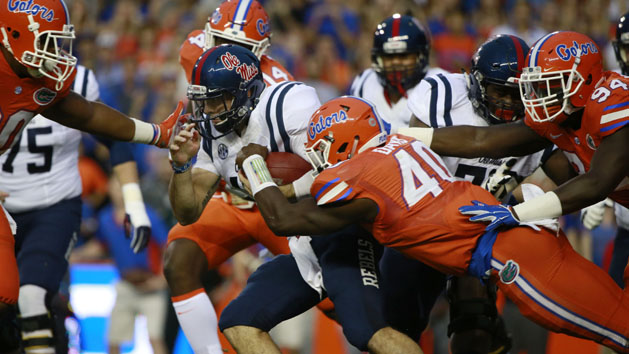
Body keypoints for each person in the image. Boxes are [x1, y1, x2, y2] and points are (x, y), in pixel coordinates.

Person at [236, 96, 629, 353]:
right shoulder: (403, 145)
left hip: (512, 259)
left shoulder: (358, 173)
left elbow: (282, 220)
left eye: (322, 147)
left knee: (617, 328)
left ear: (344, 143)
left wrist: (253, 166)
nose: (320, 159)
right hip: (514, 244)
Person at [169, 44, 422, 354]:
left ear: (245, 92)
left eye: (217, 101)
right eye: (203, 102)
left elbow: (342, 174)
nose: (207, 112)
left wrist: (282, 188)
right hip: (302, 242)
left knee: (367, 331)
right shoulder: (213, 137)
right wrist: (181, 166)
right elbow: (188, 212)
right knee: (238, 320)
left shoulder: (286, 105)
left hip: (341, 229)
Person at [0, 1, 182, 348]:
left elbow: (90, 118)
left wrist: (157, 135)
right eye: (47, 42)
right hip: (7, 197)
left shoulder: (49, 79)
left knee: (21, 297)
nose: (57, 54)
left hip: (52, 202)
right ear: (14, 34)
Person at [397, 31, 629, 247]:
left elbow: (597, 183)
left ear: (584, 80)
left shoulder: (614, 101)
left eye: (552, 85)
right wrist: (399, 135)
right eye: (538, 86)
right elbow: (483, 140)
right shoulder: (559, 118)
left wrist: (518, 213)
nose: (541, 96)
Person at [168, 0, 297, 351]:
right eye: (221, 42)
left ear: (260, 52)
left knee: (337, 299)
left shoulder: (279, 88)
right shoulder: (194, 51)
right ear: (208, 35)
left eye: (238, 49)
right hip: (227, 190)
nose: (227, 55)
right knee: (179, 259)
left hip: (274, 197)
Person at [0, 63, 152, 353]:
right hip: (3, 206)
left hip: (53, 206)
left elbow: (114, 136)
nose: (54, 49)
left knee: (33, 297)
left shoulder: (76, 79)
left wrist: (134, 202)